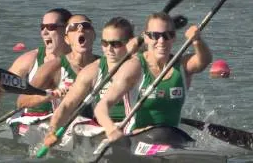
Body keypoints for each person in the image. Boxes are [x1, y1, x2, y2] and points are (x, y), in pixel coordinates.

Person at [94, 12, 212, 143]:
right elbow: (101, 107)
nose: (161, 41)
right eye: (155, 35)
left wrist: (197, 41)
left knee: (171, 136)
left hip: (171, 137)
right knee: (162, 135)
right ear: (146, 37)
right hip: (136, 139)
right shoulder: (134, 67)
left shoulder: (181, 66)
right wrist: (111, 130)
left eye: (167, 35)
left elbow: (204, 61)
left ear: (174, 38)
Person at [0, 8, 72, 142]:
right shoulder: (30, 59)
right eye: (42, 27)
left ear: (68, 31)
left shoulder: (83, 61)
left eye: (51, 27)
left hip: (67, 122)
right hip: (32, 123)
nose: (44, 32)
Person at [43, 17, 143, 147]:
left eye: (116, 44)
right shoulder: (92, 71)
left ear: (130, 43)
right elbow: (67, 106)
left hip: (138, 127)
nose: (109, 49)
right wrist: (52, 131)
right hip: (107, 130)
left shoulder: (142, 63)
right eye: (105, 43)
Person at [17, 14, 99, 117]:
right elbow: (22, 101)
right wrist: (51, 95)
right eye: (73, 27)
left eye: (86, 26)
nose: (80, 30)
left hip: (95, 123)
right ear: (67, 39)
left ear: (94, 35)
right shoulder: (53, 67)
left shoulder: (104, 64)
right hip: (62, 124)